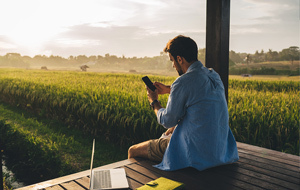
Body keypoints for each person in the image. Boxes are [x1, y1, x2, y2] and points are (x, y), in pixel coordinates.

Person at [128, 35, 239, 171]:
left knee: (133, 151)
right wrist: (169, 89)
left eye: (172, 60)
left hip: (195, 153)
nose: (173, 65)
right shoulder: (213, 75)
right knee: (171, 131)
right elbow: (198, 92)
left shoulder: (183, 82)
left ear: (179, 59)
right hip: (221, 152)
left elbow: (167, 120)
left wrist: (154, 102)